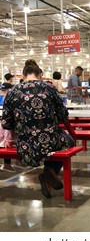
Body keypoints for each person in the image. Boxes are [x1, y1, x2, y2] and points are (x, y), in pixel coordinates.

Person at [1, 59, 75, 198]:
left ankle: (48, 176)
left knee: (47, 146)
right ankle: (49, 170)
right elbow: (63, 115)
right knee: (69, 140)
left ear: (23, 76)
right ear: (40, 75)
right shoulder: (50, 88)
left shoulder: (12, 92)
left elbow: (6, 123)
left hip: (25, 145)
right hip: (52, 140)